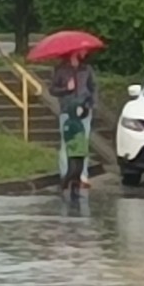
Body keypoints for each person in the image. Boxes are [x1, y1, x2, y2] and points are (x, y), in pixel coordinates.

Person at [49, 50, 97, 187]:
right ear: (73, 53)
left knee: (83, 143)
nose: (84, 52)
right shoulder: (60, 70)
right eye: (81, 51)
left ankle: (82, 175)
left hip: (84, 110)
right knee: (66, 144)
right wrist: (66, 88)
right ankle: (65, 174)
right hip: (67, 111)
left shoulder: (87, 69)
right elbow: (52, 90)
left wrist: (89, 105)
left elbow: (93, 88)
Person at [60, 98, 90, 198]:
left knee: (78, 171)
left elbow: (85, 113)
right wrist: (72, 144)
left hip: (81, 149)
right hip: (73, 150)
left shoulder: (78, 122)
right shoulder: (69, 123)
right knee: (72, 170)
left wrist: (85, 106)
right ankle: (64, 187)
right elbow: (67, 137)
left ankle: (75, 190)